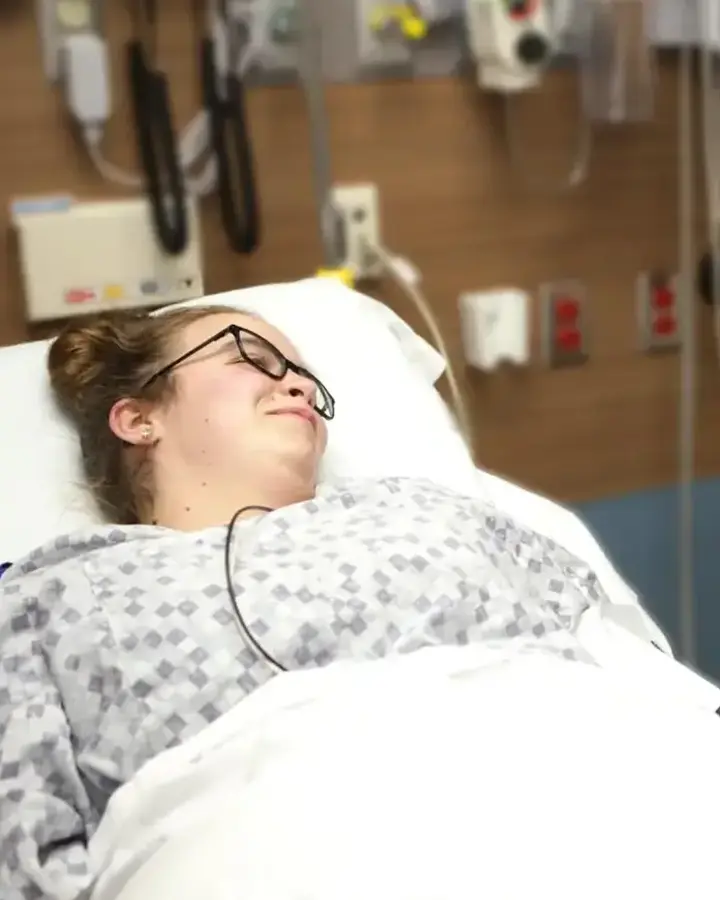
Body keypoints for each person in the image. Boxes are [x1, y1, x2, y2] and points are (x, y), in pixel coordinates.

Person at [0, 306, 644, 899]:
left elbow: (622, 658)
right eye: (250, 357)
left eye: (307, 378)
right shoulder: (56, 598)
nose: (300, 387)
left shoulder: (428, 509)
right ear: (139, 418)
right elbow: (24, 853)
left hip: (593, 799)